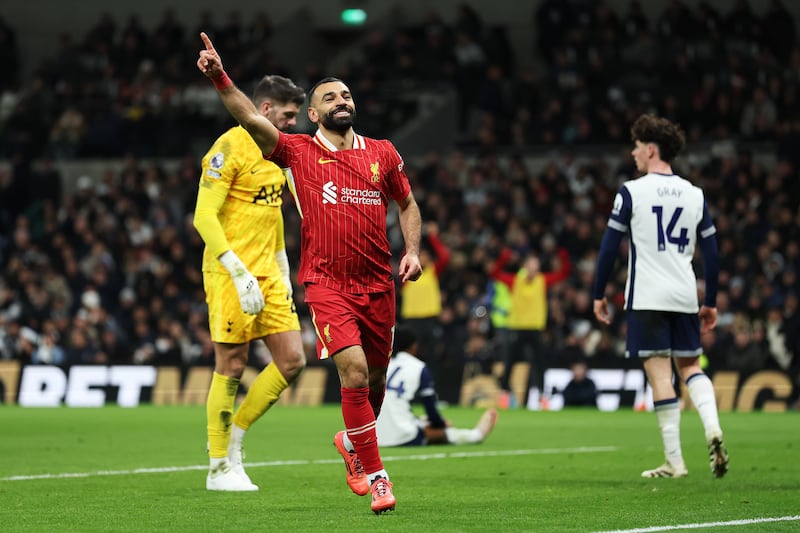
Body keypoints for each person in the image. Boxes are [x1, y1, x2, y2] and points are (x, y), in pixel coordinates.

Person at [196, 33, 423, 514]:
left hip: (377, 283)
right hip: (325, 284)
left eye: (345, 94)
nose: (341, 101)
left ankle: (352, 443)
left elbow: (407, 203)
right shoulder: (297, 152)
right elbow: (248, 116)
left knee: (373, 379)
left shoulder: (382, 152)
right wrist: (219, 76)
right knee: (353, 372)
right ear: (315, 116)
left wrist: (413, 251)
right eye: (329, 98)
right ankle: (377, 477)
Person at [592, 113, 729, 479]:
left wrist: (598, 293)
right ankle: (712, 428)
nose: (633, 152)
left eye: (637, 146)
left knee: (660, 376)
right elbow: (713, 253)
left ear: (651, 149)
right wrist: (711, 300)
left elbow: (608, 249)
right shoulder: (694, 194)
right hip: (685, 294)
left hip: (647, 296)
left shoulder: (632, 191)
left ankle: (675, 461)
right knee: (691, 367)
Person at [193, 74, 308, 491]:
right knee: (233, 365)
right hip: (228, 273)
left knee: (293, 360)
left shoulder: (281, 153)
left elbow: (273, 211)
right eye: (289, 115)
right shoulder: (229, 147)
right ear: (265, 110)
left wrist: (281, 267)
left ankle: (236, 436)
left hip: (268, 273)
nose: (294, 123)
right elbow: (204, 216)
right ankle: (219, 466)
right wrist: (238, 270)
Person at [377, 327, 497, 447]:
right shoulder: (418, 366)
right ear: (413, 346)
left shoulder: (385, 364)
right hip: (401, 435)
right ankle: (475, 435)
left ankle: (422, 423)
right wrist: (440, 424)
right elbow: (430, 406)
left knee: (420, 419)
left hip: (376, 434)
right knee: (438, 432)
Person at [489, 246, 570, 410]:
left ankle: (541, 396)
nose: (534, 269)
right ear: (525, 267)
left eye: (536, 266)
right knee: (510, 362)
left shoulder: (542, 281)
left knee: (539, 363)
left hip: (535, 329)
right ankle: (505, 394)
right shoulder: (515, 281)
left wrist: (563, 255)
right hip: (517, 328)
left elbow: (564, 273)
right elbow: (494, 274)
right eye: (531, 265)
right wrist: (504, 258)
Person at [399, 221, 450, 383]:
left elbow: (444, 256)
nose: (425, 258)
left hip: (430, 319)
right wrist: (412, 238)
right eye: (422, 255)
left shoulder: (432, 272)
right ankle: (407, 388)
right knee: (408, 357)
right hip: (412, 321)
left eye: (427, 256)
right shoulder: (407, 275)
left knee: (434, 356)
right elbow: (403, 258)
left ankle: (431, 391)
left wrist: (433, 237)